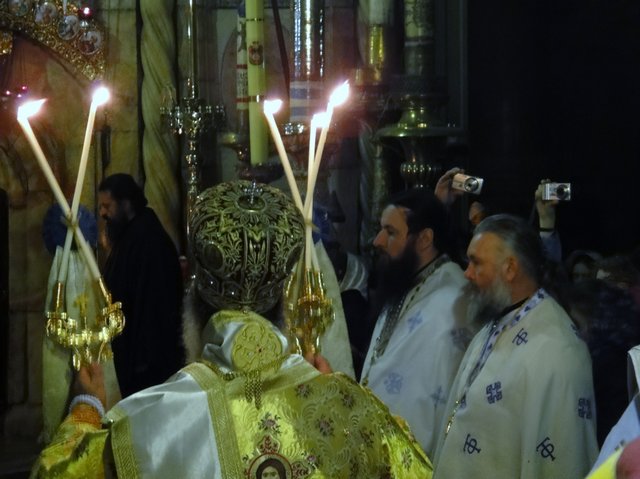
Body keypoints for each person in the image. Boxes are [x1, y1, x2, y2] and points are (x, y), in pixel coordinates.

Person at [32, 180, 432, 478]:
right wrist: (333, 397)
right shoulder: (358, 412)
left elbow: (59, 473)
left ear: (195, 303)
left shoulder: (148, 425)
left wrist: (86, 409)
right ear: (282, 303)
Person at [432, 214, 598, 479]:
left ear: (510, 268)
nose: (467, 273)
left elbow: (561, 458)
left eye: (476, 262)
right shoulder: (497, 320)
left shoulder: (558, 350)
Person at [360, 187, 471, 457]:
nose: (377, 241)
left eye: (391, 232)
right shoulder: (406, 281)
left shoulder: (452, 304)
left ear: (424, 239)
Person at [98, 173, 184, 397]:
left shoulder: (148, 240)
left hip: (147, 364)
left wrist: (141, 363)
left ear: (126, 204)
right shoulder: (131, 235)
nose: (102, 213)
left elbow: (153, 306)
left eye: (107, 206)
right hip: (134, 356)